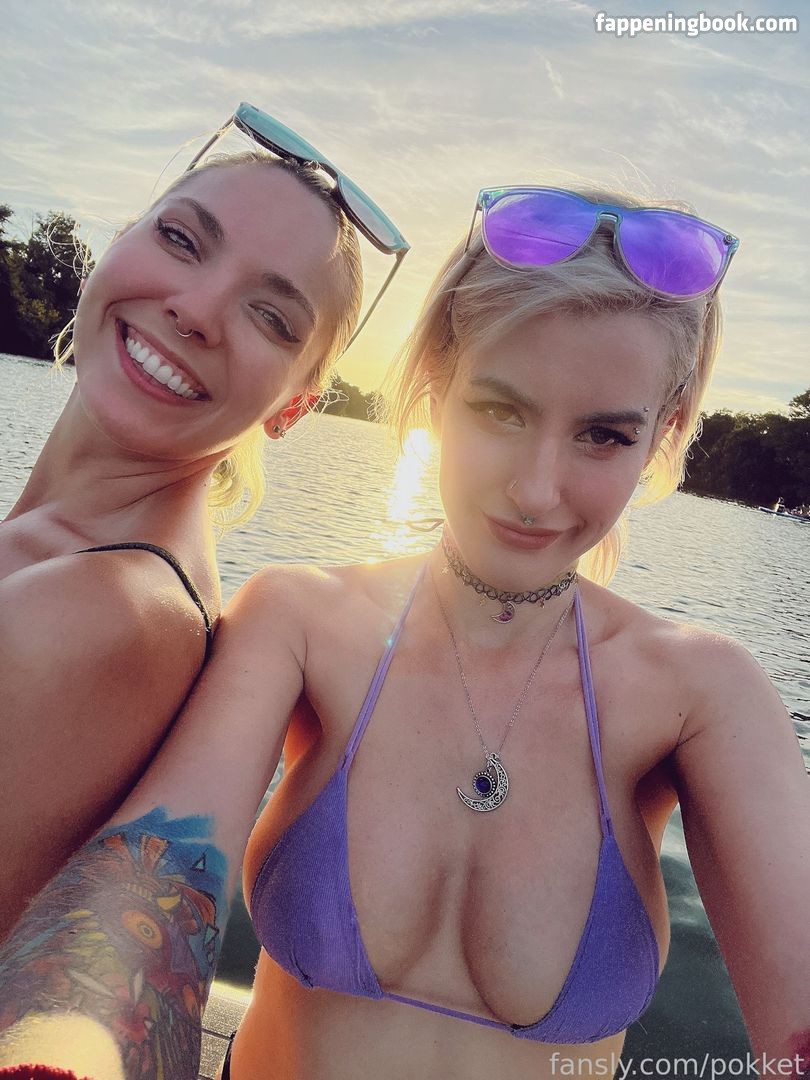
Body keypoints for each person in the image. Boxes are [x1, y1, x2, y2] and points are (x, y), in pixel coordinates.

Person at [2, 186, 809, 1080]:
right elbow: (149, 883)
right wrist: (62, 1057)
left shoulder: (702, 696)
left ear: (666, 431)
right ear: (436, 387)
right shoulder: (300, 623)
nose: (536, 490)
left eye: (604, 437)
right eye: (500, 410)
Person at [0, 102, 409, 941]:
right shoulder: (70, 560)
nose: (195, 309)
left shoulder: (99, 610)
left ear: (294, 407)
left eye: (271, 317)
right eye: (182, 240)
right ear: (119, 241)